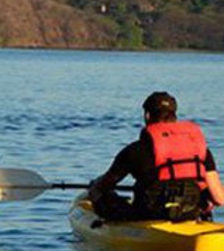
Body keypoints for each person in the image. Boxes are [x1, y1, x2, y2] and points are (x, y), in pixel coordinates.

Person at [88, 92, 224, 221]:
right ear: (174, 116)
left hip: (148, 215)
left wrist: (94, 185)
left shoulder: (135, 150)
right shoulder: (200, 150)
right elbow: (219, 199)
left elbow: (105, 185)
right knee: (204, 198)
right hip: (188, 213)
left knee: (97, 192)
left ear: (147, 115)